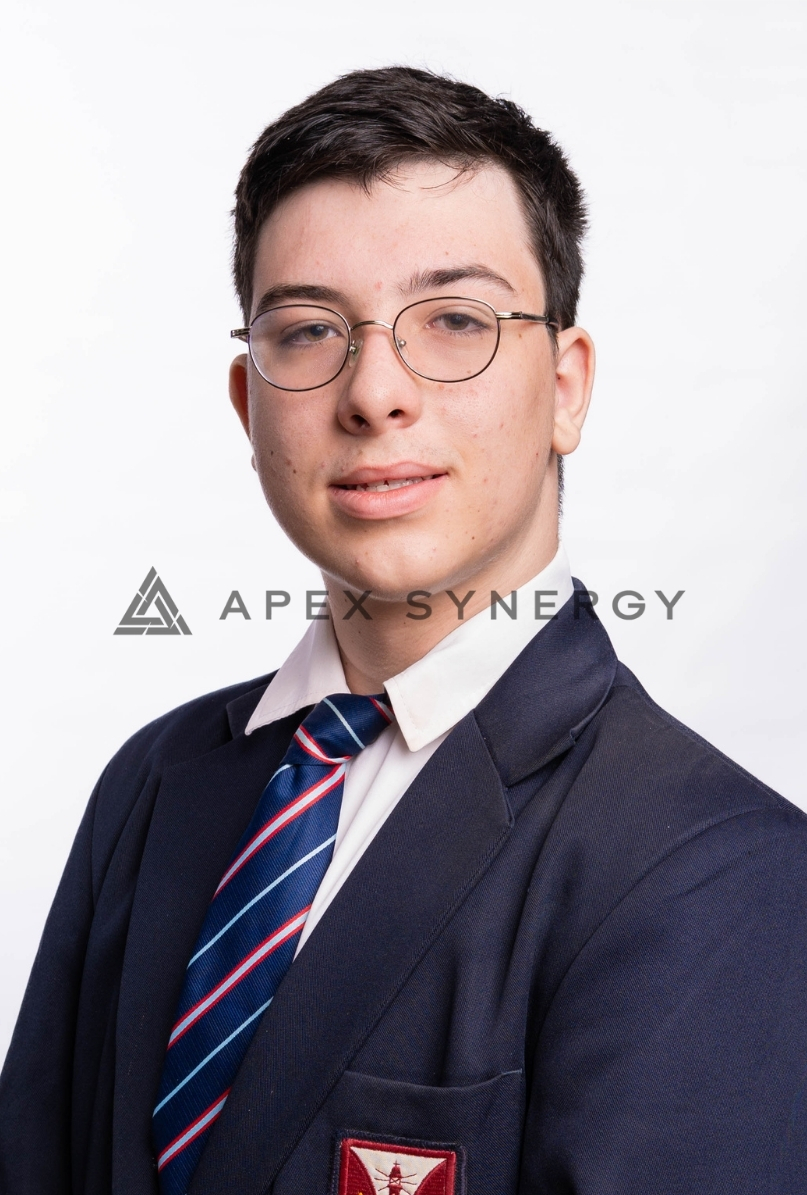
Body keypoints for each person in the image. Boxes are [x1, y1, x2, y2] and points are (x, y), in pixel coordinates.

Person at [1, 66, 805, 1195]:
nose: (375, 392)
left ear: (566, 386)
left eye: (456, 321)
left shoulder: (714, 870)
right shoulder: (153, 782)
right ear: (247, 402)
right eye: (308, 330)